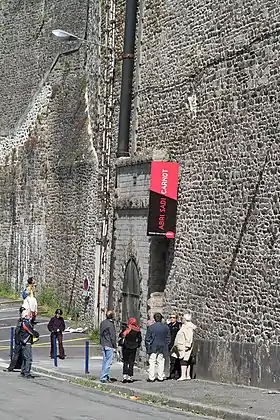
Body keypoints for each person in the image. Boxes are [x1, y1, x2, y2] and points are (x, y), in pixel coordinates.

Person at [145, 312, 171, 382]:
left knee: (152, 361)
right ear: (161, 318)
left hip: (153, 346)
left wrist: (148, 347)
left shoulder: (151, 327)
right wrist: (166, 344)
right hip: (162, 346)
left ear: (154, 319)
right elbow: (168, 338)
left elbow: (147, 338)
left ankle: (151, 377)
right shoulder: (166, 327)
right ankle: (160, 376)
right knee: (161, 361)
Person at [171, 313, 196, 381]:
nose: (182, 319)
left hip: (184, 346)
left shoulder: (188, 327)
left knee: (184, 361)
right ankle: (187, 375)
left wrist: (187, 346)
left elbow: (189, 337)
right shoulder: (185, 326)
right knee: (187, 360)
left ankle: (183, 375)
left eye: (183, 318)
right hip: (183, 345)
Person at [119, 317, 142, 383]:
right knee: (131, 362)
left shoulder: (126, 328)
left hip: (126, 346)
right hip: (133, 347)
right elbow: (139, 339)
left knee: (125, 361)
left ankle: (124, 376)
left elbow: (121, 335)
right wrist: (137, 345)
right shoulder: (137, 330)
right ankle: (130, 377)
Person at [20, 309, 40, 378]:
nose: (31, 316)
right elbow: (30, 331)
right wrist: (36, 334)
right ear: (26, 316)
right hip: (26, 342)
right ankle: (26, 373)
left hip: (24, 341)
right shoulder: (25, 323)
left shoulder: (25, 322)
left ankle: (23, 371)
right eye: (29, 314)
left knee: (25, 357)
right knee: (28, 358)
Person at [4, 307, 24, 372]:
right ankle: (19, 366)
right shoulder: (23, 320)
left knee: (17, 354)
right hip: (20, 340)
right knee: (20, 354)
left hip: (20, 340)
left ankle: (12, 367)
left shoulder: (22, 321)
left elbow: (18, 331)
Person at [99, 310, 117, 383]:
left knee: (105, 361)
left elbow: (101, 333)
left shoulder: (103, 323)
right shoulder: (111, 324)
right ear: (112, 316)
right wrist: (114, 346)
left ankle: (105, 376)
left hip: (103, 343)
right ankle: (103, 377)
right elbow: (113, 336)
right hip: (109, 344)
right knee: (108, 362)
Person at [168, 313, 181, 380]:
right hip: (170, 345)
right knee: (172, 360)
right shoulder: (168, 325)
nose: (172, 319)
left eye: (173, 317)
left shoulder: (178, 325)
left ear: (176, 318)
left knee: (177, 360)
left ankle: (177, 374)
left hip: (176, 345)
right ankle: (171, 374)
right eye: (171, 317)